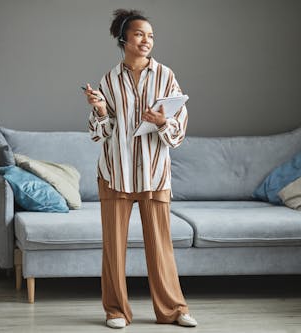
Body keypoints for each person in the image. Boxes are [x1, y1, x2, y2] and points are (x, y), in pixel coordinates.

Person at [84, 9, 197, 329]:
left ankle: (174, 310)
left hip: (154, 173)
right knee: (114, 249)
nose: (146, 40)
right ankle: (116, 311)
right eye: (139, 34)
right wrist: (101, 110)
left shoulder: (166, 76)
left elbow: (179, 130)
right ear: (123, 39)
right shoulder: (108, 80)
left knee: (161, 248)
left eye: (150, 36)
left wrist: (163, 122)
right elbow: (98, 133)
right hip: (114, 172)